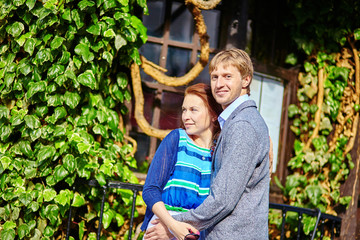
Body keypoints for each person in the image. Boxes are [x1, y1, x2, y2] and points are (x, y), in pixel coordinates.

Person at [145, 48, 270, 240]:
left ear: (246, 80)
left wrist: (173, 227)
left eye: (227, 76)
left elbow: (222, 200)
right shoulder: (238, 123)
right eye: (214, 77)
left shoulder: (243, 125)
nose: (219, 84)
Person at [141, 83, 223, 239]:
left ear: (213, 115)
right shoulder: (177, 139)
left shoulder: (220, 153)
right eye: (184, 110)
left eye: (193, 110)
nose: (186, 116)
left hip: (198, 232)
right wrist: (172, 226)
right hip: (162, 227)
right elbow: (150, 190)